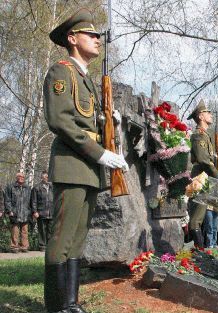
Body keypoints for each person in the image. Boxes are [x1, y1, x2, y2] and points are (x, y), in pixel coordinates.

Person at [44, 8, 128, 313]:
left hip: (90, 170)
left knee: (78, 241)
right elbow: (61, 121)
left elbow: (90, 122)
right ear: (72, 38)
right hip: (72, 164)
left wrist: (110, 122)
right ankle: (56, 306)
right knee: (62, 238)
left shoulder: (87, 79)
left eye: (97, 35)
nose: (97, 39)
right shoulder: (62, 71)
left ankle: (71, 302)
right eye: (90, 35)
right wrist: (100, 153)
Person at [187, 100, 218, 248]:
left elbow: (207, 158)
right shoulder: (199, 136)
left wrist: (217, 159)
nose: (210, 114)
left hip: (206, 178)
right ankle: (199, 252)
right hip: (201, 179)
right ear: (200, 116)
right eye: (207, 112)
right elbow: (203, 160)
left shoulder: (205, 136)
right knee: (196, 219)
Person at [4, 172, 32, 253]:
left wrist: (30, 211)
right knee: (15, 231)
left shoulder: (27, 188)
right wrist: (9, 211)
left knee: (25, 231)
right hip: (14, 212)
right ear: (16, 177)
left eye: (23, 176)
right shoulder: (10, 187)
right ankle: (14, 247)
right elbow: (7, 200)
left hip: (25, 212)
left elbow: (31, 200)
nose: (21, 177)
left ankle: (24, 247)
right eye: (19, 176)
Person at [31, 171, 54, 252]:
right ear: (42, 178)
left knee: (51, 230)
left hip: (52, 212)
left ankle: (50, 246)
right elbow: (33, 201)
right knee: (42, 230)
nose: (47, 178)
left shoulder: (53, 187)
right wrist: (35, 211)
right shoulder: (36, 187)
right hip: (41, 212)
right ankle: (42, 246)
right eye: (46, 177)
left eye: (48, 177)